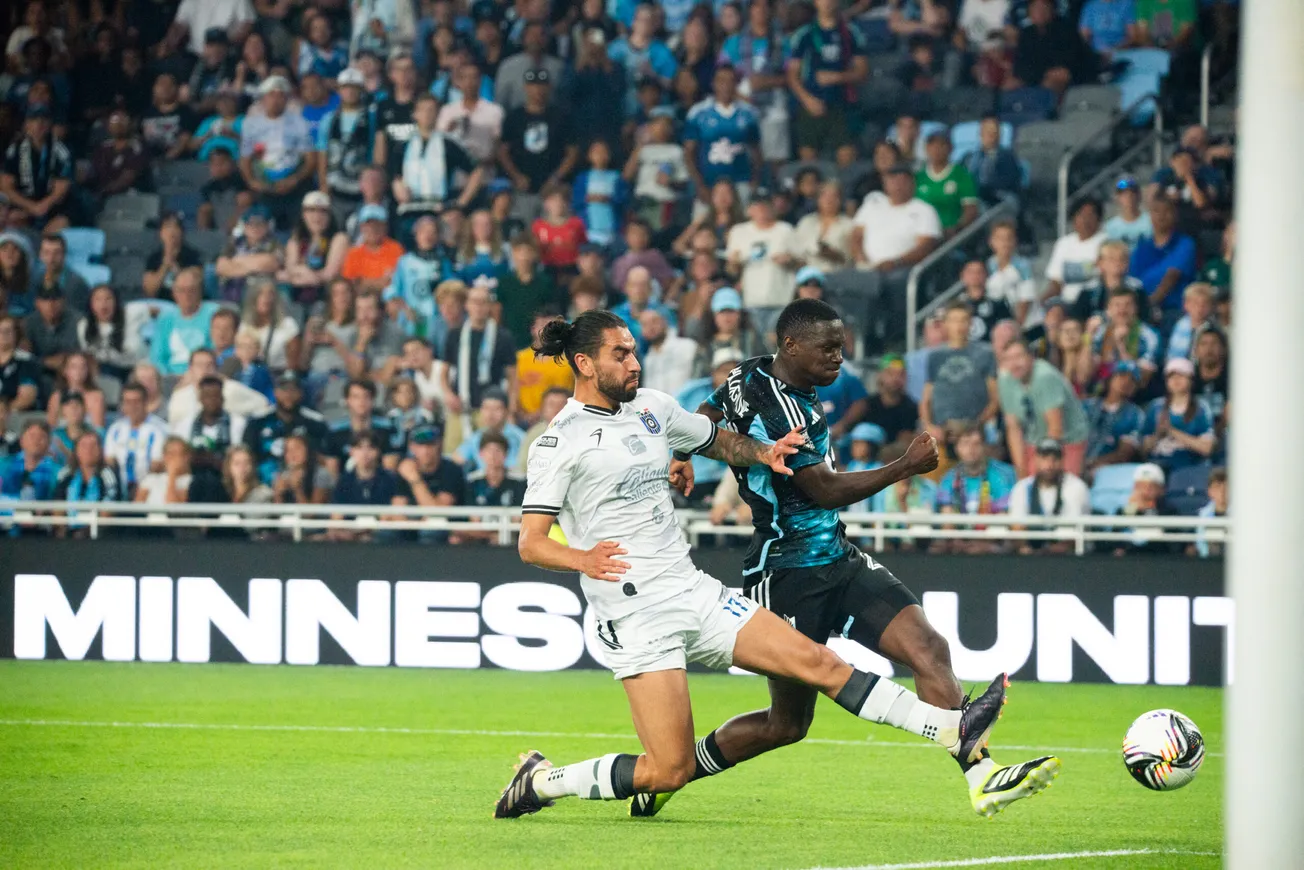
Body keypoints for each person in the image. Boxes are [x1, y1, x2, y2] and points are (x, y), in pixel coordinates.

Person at [498, 307, 1019, 821]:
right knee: (668, 769)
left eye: (634, 350)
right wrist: (582, 558)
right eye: (621, 354)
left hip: (692, 590)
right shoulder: (557, 442)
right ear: (585, 365)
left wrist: (763, 452)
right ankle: (543, 781)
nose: (635, 362)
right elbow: (531, 544)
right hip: (636, 615)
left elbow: (716, 438)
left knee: (820, 664)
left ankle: (953, 729)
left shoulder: (652, 407)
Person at [641, 299, 1049, 819]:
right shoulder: (783, 409)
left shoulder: (749, 374)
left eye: (842, 346)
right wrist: (905, 466)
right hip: (785, 572)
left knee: (928, 647)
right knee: (785, 725)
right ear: (791, 345)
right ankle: (666, 775)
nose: (840, 357)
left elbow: (708, 413)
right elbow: (823, 490)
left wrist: (682, 456)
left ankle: (983, 776)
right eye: (828, 348)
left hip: (839, 558)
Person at [784, 0, 869, 164]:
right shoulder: (804, 34)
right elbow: (792, 75)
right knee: (808, 161)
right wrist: (807, 100)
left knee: (847, 158)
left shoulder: (851, 32)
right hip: (811, 103)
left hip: (842, 104)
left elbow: (863, 71)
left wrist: (837, 77)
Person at [998, 340, 1090, 478]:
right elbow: (1013, 428)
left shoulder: (1045, 376)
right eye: (1008, 359)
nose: (1014, 364)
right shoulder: (1005, 379)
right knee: (1027, 485)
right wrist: (1021, 472)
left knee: (1059, 486)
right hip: (1034, 438)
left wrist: (1044, 466)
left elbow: (1055, 429)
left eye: (1019, 357)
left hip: (1068, 439)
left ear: (1031, 357)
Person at [393, 93, 485, 224]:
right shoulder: (404, 145)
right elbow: (395, 175)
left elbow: (477, 170)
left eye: (431, 110)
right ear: (415, 114)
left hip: (440, 210)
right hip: (410, 209)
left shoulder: (448, 143)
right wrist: (398, 187)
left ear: (438, 113)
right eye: (423, 110)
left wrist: (460, 203)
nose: (427, 114)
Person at [239, 76, 319, 226]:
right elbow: (245, 158)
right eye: (271, 95)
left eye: (281, 96)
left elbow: (310, 159)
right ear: (263, 99)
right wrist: (252, 181)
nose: (276, 100)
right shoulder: (250, 124)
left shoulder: (299, 122)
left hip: (294, 183)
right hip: (266, 184)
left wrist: (295, 179)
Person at [921, 301, 999, 448]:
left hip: (975, 431)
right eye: (954, 320)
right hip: (942, 432)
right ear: (945, 324)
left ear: (971, 323)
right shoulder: (935, 356)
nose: (959, 325)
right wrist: (929, 426)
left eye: (964, 320)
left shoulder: (985, 353)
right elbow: (926, 398)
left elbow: (995, 398)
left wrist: (978, 425)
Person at [683, 65, 761, 207]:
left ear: (736, 84)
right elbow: (689, 153)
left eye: (730, 81)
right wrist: (699, 185)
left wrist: (754, 181)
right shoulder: (698, 112)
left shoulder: (749, 113)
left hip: (740, 181)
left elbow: (756, 151)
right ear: (713, 83)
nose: (726, 86)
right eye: (721, 81)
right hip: (709, 182)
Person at [724, 187, 798, 333]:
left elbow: (801, 263)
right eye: (757, 205)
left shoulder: (786, 230)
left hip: (781, 300)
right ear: (749, 209)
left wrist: (789, 260)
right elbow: (731, 270)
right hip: (751, 301)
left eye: (766, 204)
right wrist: (734, 263)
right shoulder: (739, 232)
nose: (762, 209)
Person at [498, 68, 578, 197]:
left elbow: (572, 152)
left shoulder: (561, 117)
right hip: (522, 187)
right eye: (533, 85)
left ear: (549, 87)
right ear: (526, 87)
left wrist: (556, 178)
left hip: (554, 189)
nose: (537, 90)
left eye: (541, 85)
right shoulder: (514, 117)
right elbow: (503, 151)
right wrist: (516, 176)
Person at [444, 284, 519, 421]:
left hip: (493, 409)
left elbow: (512, 377)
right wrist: (448, 394)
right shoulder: (455, 334)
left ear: (490, 306)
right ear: (466, 305)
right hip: (460, 405)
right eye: (474, 302)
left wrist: (511, 408)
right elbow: (444, 372)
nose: (478, 306)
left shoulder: (503, 336)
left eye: (483, 302)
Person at [243, 371, 329, 485]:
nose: (288, 395)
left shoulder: (315, 422)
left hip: (305, 488)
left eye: (293, 390)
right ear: (275, 392)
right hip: (263, 487)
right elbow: (247, 454)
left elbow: (324, 459)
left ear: (301, 393)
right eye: (284, 390)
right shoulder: (258, 421)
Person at [1007, 439, 1091, 555]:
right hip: (1029, 556)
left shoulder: (1076, 487)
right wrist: (1025, 549)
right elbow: (1016, 528)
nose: (1049, 465)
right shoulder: (1022, 487)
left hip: (1068, 558)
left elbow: (1072, 536)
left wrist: (1045, 553)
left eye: (1054, 459)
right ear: (1036, 459)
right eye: (1044, 458)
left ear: (1062, 461)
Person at [1, 106, 74, 232]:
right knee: (9, 218)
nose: (39, 124)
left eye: (43, 120)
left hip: (54, 208)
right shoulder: (15, 150)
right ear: (26, 124)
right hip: (23, 205)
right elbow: (6, 186)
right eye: (34, 120)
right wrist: (30, 207)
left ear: (49, 124)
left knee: (61, 224)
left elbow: (61, 188)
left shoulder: (61, 151)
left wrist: (41, 207)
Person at [327, 431, 407, 541]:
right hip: (350, 539)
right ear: (351, 451)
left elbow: (396, 516)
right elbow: (335, 520)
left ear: (378, 451)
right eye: (359, 448)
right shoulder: (343, 482)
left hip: (383, 538)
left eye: (370, 448)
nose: (365, 453)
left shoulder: (391, 479)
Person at [1140, 357, 1215, 473]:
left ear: (1191, 380)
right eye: (1171, 376)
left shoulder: (1201, 408)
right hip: (1156, 468)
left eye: (1181, 375)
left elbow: (1206, 448)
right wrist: (1158, 434)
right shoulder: (1155, 406)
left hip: (1189, 469)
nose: (1176, 379)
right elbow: (1143, 450)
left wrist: (1172, 431)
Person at [1129, 196, 1197, 319]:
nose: (1161, 215)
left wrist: (1149, 305)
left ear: (1175, 215)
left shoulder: (1185, 243)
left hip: (1175, 311)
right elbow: (1133, 280)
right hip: (1143, 310)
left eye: (1167, 211)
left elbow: (1172, 276)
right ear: (1149, 215)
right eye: (1156, 211)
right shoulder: (1141, 248)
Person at [396, 421, 465, 541]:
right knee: (388, 533)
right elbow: (397, 511)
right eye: (420, 445)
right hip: (411, 525)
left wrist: (415, 479)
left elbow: (437, 513)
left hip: (446, 531)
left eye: (430, 445)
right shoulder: (404, 468)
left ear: (439, 445)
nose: (425, 450)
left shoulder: (451, 470)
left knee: (431, 532)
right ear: (412, 447)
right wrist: (415, 524)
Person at [103, 383, 170, 498]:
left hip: (150, 490)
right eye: (128, 402)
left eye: (137, 401)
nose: (132, 406)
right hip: (120, 489)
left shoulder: (160, 429)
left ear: (145, 403)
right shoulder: (115, 430)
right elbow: (110, 461)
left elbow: (157, 465)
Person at [173, 373, 250, 472]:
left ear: (222, 398)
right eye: (207, 396)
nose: (211, 401)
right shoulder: (186, 425)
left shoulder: (237, 423)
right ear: (200, 398)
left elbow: (239, 456)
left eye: (215, 396)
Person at [52, 431, 123, 534]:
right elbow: (57, 504)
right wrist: (61, 530)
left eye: (93, 446)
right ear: (76, 450)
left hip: (98, 535)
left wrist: (87, 531)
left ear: (100, 450)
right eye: (84, 446)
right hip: (68, 533)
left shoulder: (108, 475)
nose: (89, 450)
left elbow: (108, 511)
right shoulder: (66, 474)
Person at [150, 269, 217, 377]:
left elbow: (218, 349)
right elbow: (157, 357)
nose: (186, 295)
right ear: (174, 293)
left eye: (191, 290)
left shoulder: (214, 313)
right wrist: (167, 376)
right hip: (171, 377)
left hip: (205, 374)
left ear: (200, 292)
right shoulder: (166, 318)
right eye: (181, 290)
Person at [325, 379, 401, 474]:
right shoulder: (335, 431)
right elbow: (332, 471)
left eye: (366, 396)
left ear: (373, 400)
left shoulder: (387, 428)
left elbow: (390, 468)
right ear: (347, 400)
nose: (362, 401)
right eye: (356, 397)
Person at [1083, 361, 1145, 471]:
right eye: (1121, 376)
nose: (1126, 382)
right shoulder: (1087, 406)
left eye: (1132, 380)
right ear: (1110, 379)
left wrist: (1092, 464)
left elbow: (1124, 454)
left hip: (1106, 470)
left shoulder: (1135, 415)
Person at [915, 132, 980, 237]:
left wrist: (957, 229)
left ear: (951, 148)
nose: (937, 150)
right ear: (926, 149)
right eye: (933, 146)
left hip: (951, 236)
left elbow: (970, 210)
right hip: (922, 235)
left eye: (942, 145)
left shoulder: (962, 175)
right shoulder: (919, 177)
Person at [215, 203, 283, 304]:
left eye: (260, 224)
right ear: (244, 225)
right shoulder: (234, 243)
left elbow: (270, 263)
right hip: (232, 290)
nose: (255, 228)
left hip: (260, 294)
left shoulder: (274, 244)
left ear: (268, 225)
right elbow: (220, 266)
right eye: (250, 224)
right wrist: (254, 267)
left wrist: (235, 262)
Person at [496, 234, 556, 345]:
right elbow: (497, 310)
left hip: (536, 340)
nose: (523, 257)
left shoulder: (545, 282)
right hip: (510, 337)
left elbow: (549, 313)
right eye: (519, 251)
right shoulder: (504, 282)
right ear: (513, 254)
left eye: (528, 251)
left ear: (534, 254)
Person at [1043, 198, 1105, 305]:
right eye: (1081, 215)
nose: (1086, 220)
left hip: (1095, 300)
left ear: (1098, 219)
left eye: (1090, 215)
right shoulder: (1063, 243)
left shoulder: (1105, 242)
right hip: (1066, 302)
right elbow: (1056, 280)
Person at [1111, 462, 1178, 556]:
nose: (1145, 491)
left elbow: (1173, 545)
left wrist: (1147, 509)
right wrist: (1132, 510)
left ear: (1161, 489)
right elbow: (1116, 540)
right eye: (1140, 486)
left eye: (1151, 486)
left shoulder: (1169, 511)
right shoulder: (1124, 511)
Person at [454, 389, 526, 473]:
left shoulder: (520, 437)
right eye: (486, 408)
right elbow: (456, 459)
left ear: (506, 411)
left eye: (496, 409)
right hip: (482, 483)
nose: (490, 414)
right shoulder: (476, 436)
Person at [341, 205, 406, 296]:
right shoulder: (354, 253)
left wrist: (365, 282)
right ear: (361, 227)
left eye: (377, 225)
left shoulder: (396, 249)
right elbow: (352, 284)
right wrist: (380, 282)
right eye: (368, 225)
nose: (373, 229)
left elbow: (398, 282)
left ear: (385, 227)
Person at [793, 182, 855, 274]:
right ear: (818, 199)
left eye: (834, 196)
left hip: (838, 275)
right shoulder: (806, 222)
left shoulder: (849, 225)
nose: (829, 200)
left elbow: (851, 259)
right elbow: (795, 250)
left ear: (840, 200)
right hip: (808, 277)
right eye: (824, 196)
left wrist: (831, 254)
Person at [963, 115, 1024, 208]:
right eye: (987, 132)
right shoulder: (968, 158)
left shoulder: (1008, 158)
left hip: (997, 201)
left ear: (999, 134)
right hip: (971, 200)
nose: (991, 136)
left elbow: (1010, 183)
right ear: (980, 133)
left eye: (994, 132)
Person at [24, 286, 80, 383]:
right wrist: (45, 362)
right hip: (37, 373)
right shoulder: (29, 323)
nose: (51, 305)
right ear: (37, 303)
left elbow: (81, 352)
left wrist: (66, 360)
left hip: (72, 372)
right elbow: (24, 356)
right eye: (45, 300)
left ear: (64, 301)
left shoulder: (77, 321)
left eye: (55, 299)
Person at [865, 354, 920, 447]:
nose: (896, 379)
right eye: (890, 374)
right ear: (880, 375)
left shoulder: (911, 408)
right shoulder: (867, 406)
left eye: (901, 374)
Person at [639, 310, 698, 396]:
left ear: (664, 322)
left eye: (654, 321)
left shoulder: (688, 346)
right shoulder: (647, 360)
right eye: (645, 324)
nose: (651, 327)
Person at [1, 420, 60, 503]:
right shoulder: (3, 465)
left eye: (42, 437)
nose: (36, 441)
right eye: (32, 436)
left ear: (49, 443)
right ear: (21, 440)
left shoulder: (58, 472)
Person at [30, 234, 89, 314]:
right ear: (40, 255)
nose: (51, 258)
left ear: (64, 255)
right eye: (46, 253)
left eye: (56, 253)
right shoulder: (34, 279)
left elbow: (76, 315)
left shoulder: (76, 283)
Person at [45, 352, 105, 430]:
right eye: (74, 367)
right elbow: (51, 428)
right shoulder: (56, 397)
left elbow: (98, 429)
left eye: (83, 367)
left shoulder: (96, 397)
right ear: (65, 370)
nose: (79, 371)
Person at [272, 432, 332, 505]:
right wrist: (278, 494)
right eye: (288, 450)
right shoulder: (282, 474)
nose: (292, 454)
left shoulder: (321, 474)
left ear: (307, 450)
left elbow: (312, 513)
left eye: (297, 448)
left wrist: (297, 489)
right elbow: (276, 512)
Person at [0, 315, 39, 412]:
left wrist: (3, 412)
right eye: (0, 331)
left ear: (16, 333)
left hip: (16, 415)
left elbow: (27, 398)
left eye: (8, 331)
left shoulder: (26, 360)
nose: (4, 335)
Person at [1103, 176, 1152, 248]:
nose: (1129, 197)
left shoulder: (1151, 221)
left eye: (1132, 193)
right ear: (1117, 197)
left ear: (1139, 195)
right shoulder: (1109, 227)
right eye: (1124, 194)